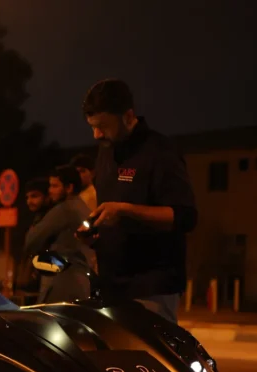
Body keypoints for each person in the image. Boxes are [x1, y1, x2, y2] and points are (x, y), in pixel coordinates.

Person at [79, 79, 197, 323]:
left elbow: (186, 217)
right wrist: (95, 234)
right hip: (111, 287)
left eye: (103, 126)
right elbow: (114, 217)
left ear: (128, 116)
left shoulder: (160, 151)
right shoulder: (106, 151)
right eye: (92, 127)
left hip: (151, 288)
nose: (96, 134)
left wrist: (126, 210)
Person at [24, 165, 94, 303]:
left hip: (60, 284)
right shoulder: (83, 207)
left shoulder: (64, 210)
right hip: (81, 283)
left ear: (69, 188)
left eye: (55, 186)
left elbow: (32, 240)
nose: (50, 191)